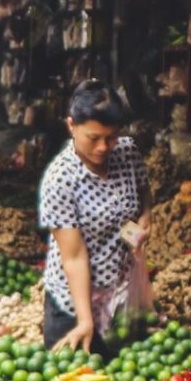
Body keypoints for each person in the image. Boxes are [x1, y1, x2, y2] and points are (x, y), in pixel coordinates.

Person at [38, 80, 149, 351]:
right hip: (73, 307)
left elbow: (144, 192)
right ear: (71, 126)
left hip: (119, 300)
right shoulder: (61, 179)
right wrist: (85, 321)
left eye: (110, 137)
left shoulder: (127, 152)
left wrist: (145, 220)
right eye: (93, 138)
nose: (103, 147)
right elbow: (74, 257)